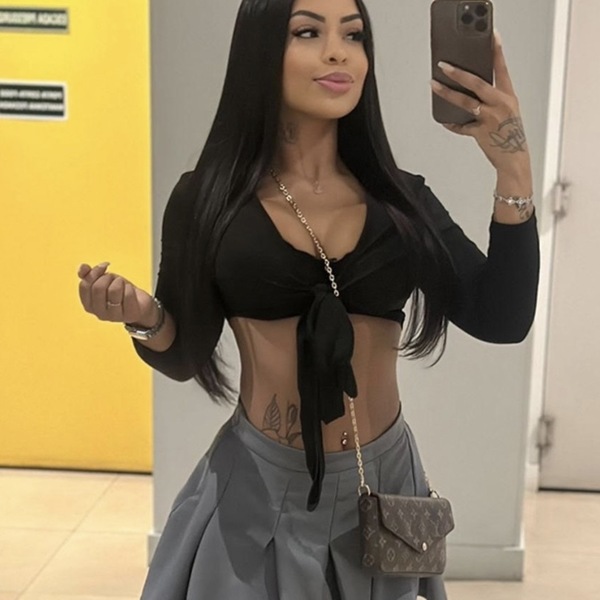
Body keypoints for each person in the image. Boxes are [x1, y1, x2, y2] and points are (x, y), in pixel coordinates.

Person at [77, 0, 540, 598]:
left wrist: (513, 171)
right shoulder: (208, 200)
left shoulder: (402, 202)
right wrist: (144, 318)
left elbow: (502, 318)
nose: (337, 52)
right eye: (307, 32)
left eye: (354, 35)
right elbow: (185, 353)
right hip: (257, 491)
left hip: (383, 489)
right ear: (262, 50)